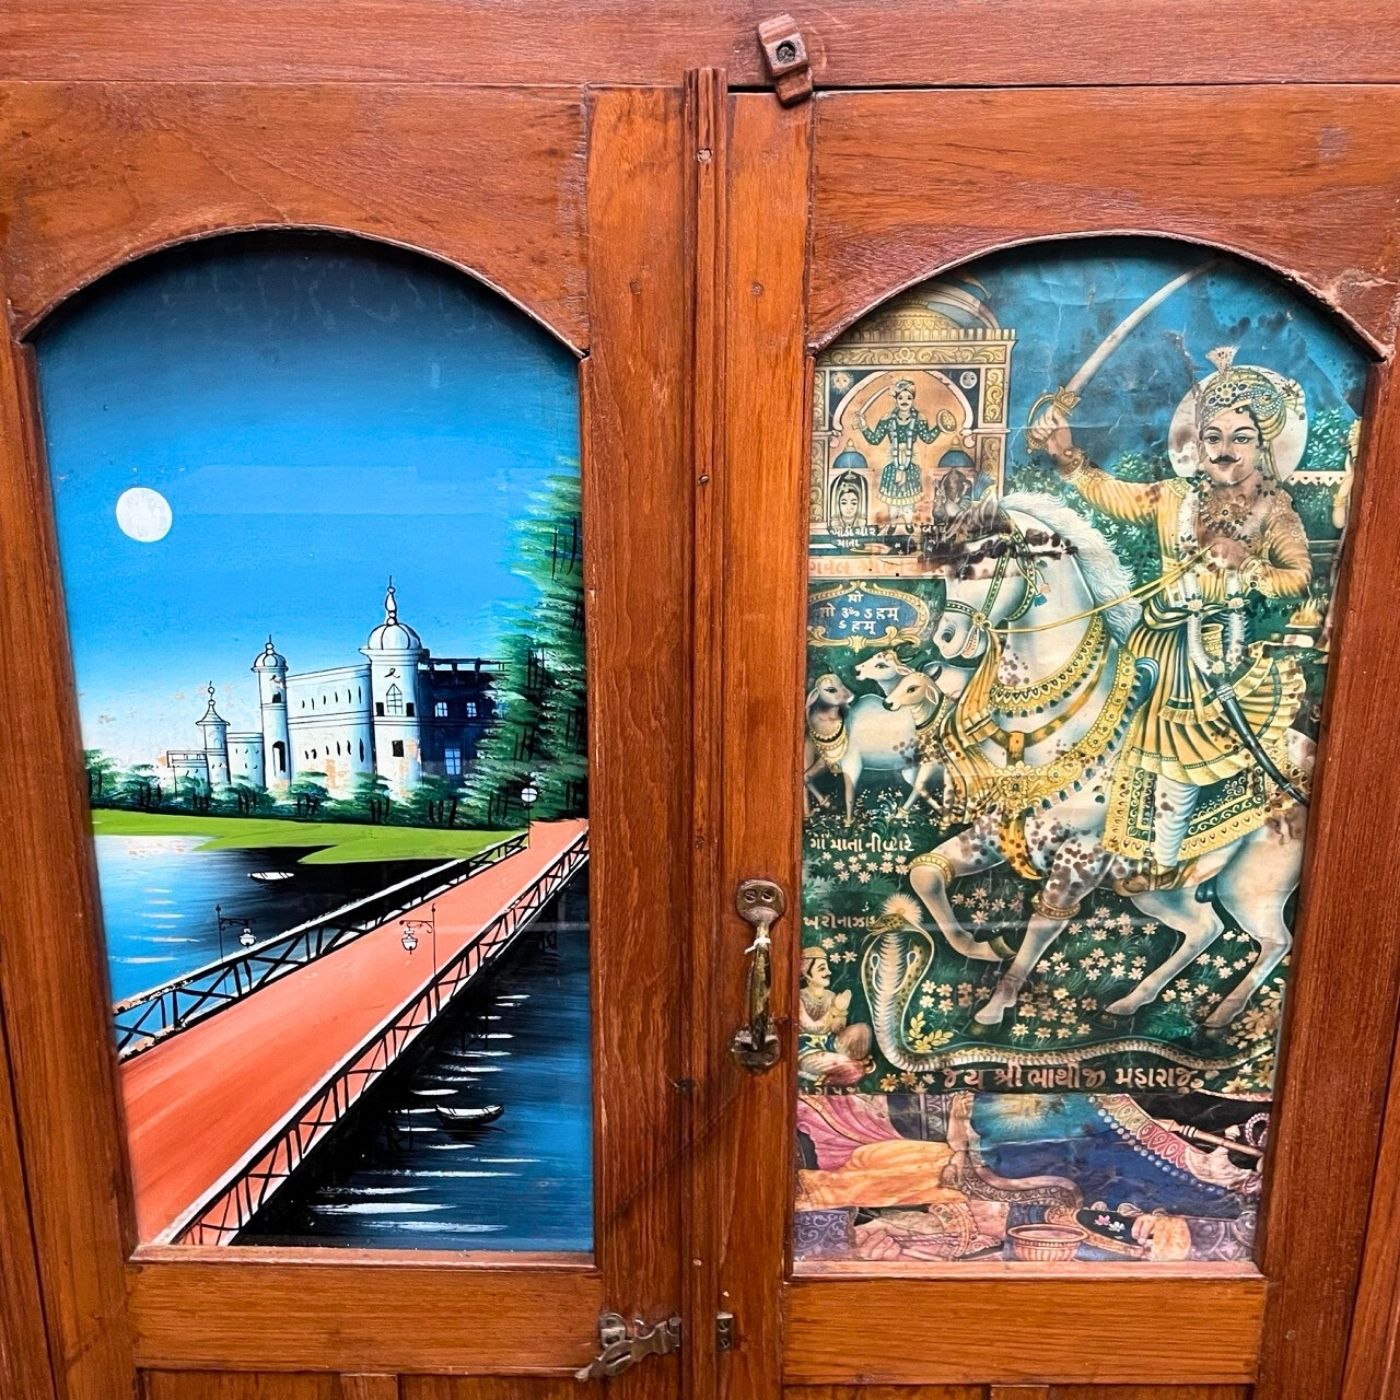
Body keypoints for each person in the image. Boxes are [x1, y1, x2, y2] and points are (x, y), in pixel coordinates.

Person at [1028, 347, 1312, 885]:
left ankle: (1163, 862)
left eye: (1241, 438)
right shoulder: (1174, 496)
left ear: (1263, 445)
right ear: (1198, 444)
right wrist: (1067, 457)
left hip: (1214, 652)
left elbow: (1297, 578)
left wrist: (1246, 564)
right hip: (1152, 638)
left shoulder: (1275, 511)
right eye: (1213, 438)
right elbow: (1114, 495)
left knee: (1177, 755)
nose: (1224, 451)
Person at [855, 380, 950, 533]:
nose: (904, 401)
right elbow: (875, 439)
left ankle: (908, 522)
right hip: (892, 461)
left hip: (911, 460)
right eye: (901, 397)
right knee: (892, 496)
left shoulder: (919, 419)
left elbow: (927, 438)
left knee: (909, 496)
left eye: (908, 398)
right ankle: (892, 523)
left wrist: (939, 427)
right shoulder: (887, 419)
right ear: (896, 399)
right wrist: (864, 426)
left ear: (913, 399)